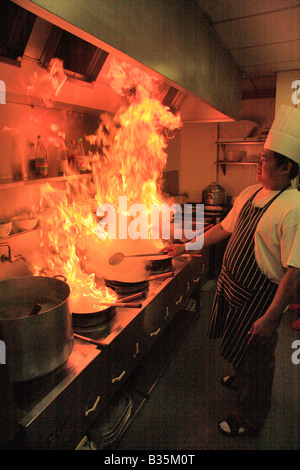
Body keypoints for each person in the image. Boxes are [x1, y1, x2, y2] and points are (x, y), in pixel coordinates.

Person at [162, 105, 300, 437]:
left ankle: (249, 419)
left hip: (259, 297)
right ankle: (240, 377)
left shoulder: (293, 207)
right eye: (261, 155)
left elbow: (294, 272)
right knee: (239, 346)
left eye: (266, 159)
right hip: (233, 290)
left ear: (286, 167)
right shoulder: (251, 193)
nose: (259, 162)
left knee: (257, 358)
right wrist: (185, 247)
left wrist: (270, 318)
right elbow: (222, 229)